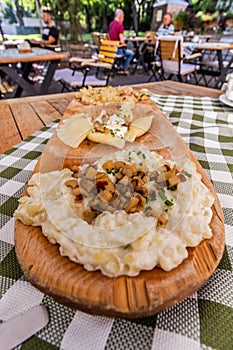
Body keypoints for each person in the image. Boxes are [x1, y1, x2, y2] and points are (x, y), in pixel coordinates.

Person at [108, 9, 134, 74]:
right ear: (120, 16)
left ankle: (120, 65)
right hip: (117, 50)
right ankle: (123, 68)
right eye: (123, 17)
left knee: (125, 50)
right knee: (131, 53)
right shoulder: (120, 25)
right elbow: (122, 41)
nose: (123, 19)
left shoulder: (111, 24)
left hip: (111, 49)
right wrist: (124, 42)